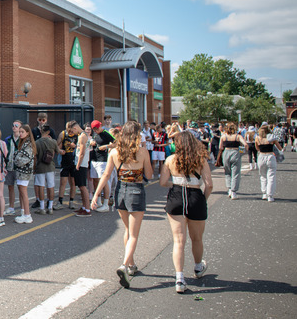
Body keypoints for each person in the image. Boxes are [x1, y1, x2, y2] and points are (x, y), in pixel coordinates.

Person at [91, 121, 154, 289]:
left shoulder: (114, 152)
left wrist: (96, 195)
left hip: (120, 190)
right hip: (136, 189)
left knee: (127, 230)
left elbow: (106, 175)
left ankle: (131, 264)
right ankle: (125, 265)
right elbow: (149, 174)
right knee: (133, 234)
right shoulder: (142, 152)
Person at [160, 131, 212, 293]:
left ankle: (180, 278)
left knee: (178, 241)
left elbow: (162, 182)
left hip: (176, 197)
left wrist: (176, 183)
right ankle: (197, 267)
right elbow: (209, 184)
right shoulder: (201, 160)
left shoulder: (170, 160)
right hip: (195, 196)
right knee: (196, 238)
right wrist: (203, 198)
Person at [90, 119, 116, 212]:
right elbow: (93, 140)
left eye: (97, 128)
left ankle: (106, 203)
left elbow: (116, 143)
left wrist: (106, 146)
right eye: (95, 129)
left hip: (102, 160)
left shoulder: (106, 133)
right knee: (95, 180)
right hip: (94, 159)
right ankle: (99, 202)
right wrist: (92, 142)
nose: (96, 130)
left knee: (104, 181)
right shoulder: (95, 134)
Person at [30, 113, 55, 209]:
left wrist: (50, 157)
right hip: (39, 160)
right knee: (38, 184)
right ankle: (38, 200)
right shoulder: (34, 131)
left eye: (43, 120)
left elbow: (55, 145)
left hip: (48, 161)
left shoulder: (50, 131)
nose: (41, 122)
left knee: (49, 184)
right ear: (37, 120)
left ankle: (49, 201)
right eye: (40, 120)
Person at [215, 123, 247, 200]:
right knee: (235, 173)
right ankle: (233, 191)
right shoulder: (238, 136)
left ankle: (229, 189)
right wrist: (242, 152)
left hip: (226, 153)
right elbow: (245, 144)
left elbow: (220, 147)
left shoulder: (223, 137)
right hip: (235, 152)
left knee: (227, 172)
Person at [13, 124, 36, 224]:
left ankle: (27, 214)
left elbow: (24, 159)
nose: (20, 133)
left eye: (22, 132)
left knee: (23, 192)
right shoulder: (23, 143)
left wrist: (16, 158)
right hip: (21, 171)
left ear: (27, 133)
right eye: (20, 131)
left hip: (24, 172)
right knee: (21, 192)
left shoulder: (28, 144)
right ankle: (23, 212)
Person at [33, 124, 58, 215]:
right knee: (50, 186)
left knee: (41, 186)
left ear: (41, 131)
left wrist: (34, 167)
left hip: (40, 167)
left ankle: (42, 207)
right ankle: (50, 207)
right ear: (48, 132)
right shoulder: (53, 142)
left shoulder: (37, 143)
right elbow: (58, 151)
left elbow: (35, 156)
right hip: (50, 166)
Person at [255, 126, 282, 202]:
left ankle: (264, 193)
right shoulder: (272, 138)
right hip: (270, 156)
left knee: (263, 176)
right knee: (271, 176)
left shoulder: (257, 138)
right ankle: (270, 195)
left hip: (261, 156)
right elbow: (279, 148)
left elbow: (257, 148)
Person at [56, 121, 79, 210]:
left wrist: (75, 146)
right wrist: (59, 151)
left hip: (73, 161)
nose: (71, 133)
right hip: (65, 161)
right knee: (63, 182)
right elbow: (56, 146)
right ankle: (60, 201)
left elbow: (82, 147)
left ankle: (71, 201)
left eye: (72, 131)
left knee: (73, 183)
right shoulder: (63, 134)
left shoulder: (78, 135)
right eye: (69, 131)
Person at [72, 122, 92, 217]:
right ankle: (84, 207)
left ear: (75, 128)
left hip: (82, 164)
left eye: (73, 130)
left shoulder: (82, 136)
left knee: (83, 186)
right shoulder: (82, 135)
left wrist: (78, 165)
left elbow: (82, 152)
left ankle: (87, 209)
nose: (73, 132)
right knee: (80, 186)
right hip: (80, 163)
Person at [2, 120, 22, 216]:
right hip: (9, 166)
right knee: (10, 187)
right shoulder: (8, 139)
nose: (14, 127)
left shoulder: (22, 139)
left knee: (21, 188)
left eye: (16, 125)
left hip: (18, 167)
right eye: (13, 125)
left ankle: (23, 208)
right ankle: (11, 207)